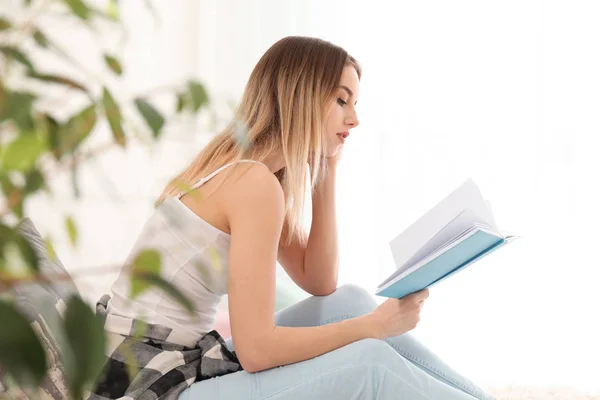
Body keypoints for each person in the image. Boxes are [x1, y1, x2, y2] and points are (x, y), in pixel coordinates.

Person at [91, 36, 495, 400]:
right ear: (301, 97)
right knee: (370, 361)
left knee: (350, 300)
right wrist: (374, 326)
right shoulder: (252, 183)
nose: (354, 118)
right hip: (146, 383)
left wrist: (327, 170)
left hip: (169, 362)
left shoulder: (250, 172)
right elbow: (256, 350)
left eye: (354, 103)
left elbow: (320, 283)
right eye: (341, 100)